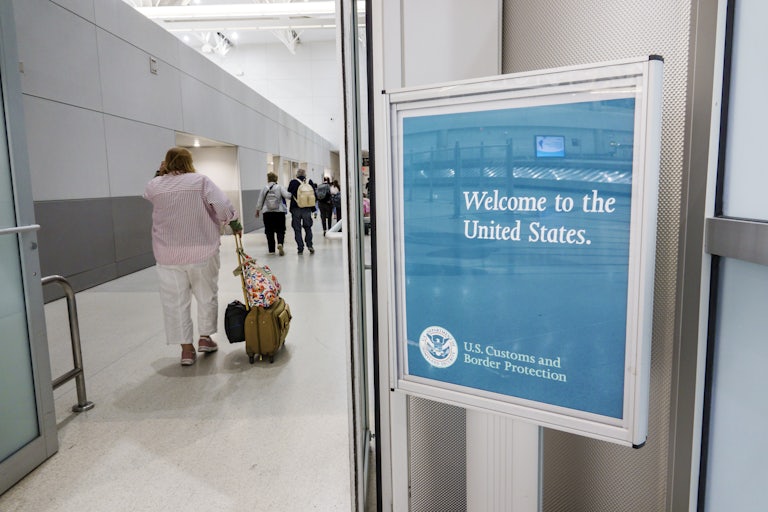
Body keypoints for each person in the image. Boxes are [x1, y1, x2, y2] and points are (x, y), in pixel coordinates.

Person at [144, 147, 242, 366]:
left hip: (167, 254)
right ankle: (205, 338)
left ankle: (186, 350)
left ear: (166, 162)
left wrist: (160, 173)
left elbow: (149, 192)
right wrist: (234, 222)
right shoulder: (200, 181)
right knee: (206, 294)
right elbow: (222, 205)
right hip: (202, 251)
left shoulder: (155, 185)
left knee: (175, 302)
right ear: (189, 161)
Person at [255, 171, 291, 255]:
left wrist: (257, 210)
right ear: (276, 179)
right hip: (279, 212)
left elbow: (260, 200)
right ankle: (280, 244)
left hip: (267, 213)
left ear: (268, 179)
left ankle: (271, 250)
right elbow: (287, 196)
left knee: (269, 231)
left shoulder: (264, 188)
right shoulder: (279, 187)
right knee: (281, 230)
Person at [287, 168, 316, 254]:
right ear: (305, 174)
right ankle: (310, 245)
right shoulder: (309, 181)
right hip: (307, 208)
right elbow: (314, 195)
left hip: (296, 208)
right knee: (308, 228)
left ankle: (300, 248)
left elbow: (289, 193)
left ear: (297, 174)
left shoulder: (293, 182)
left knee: (297, 229)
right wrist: (313, 208)